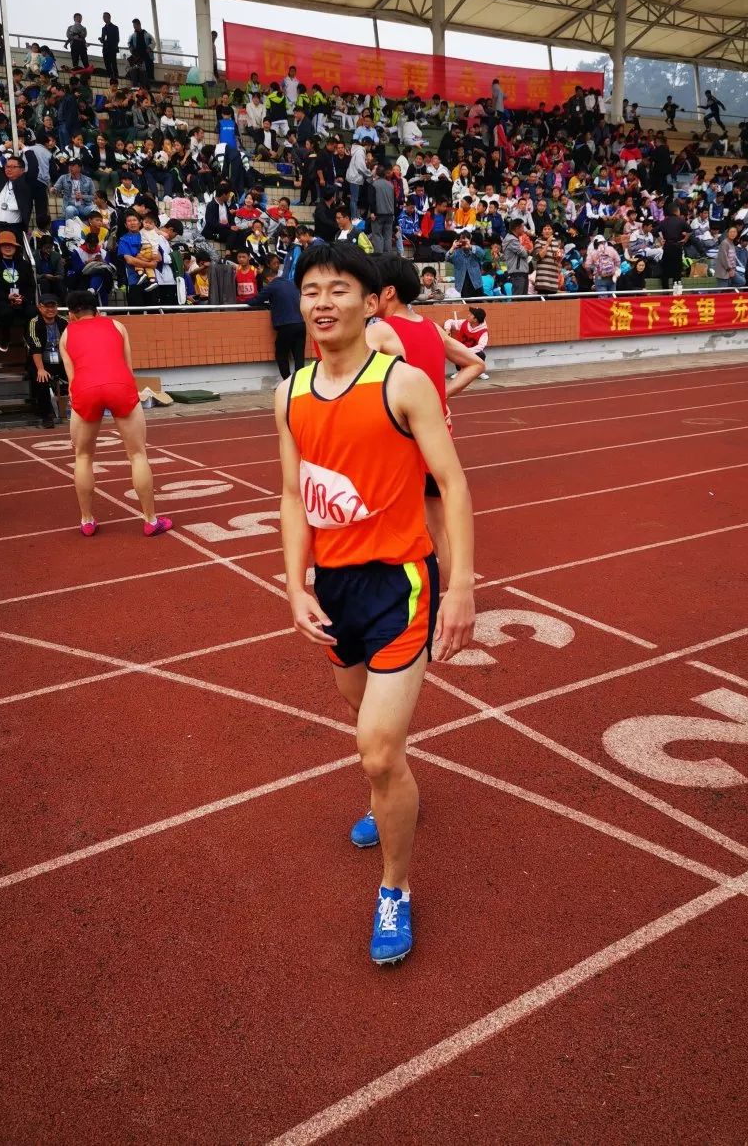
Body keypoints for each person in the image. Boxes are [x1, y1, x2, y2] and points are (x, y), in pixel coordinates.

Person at [276, 241, 475, 965]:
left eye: (338, 289)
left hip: (401, 585)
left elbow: (451, 485)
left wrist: (463, 586)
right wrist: (294, 582)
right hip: (334, 590)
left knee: (378, 749)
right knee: (362, 725)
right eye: (311, 290)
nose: (322, 301)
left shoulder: (403, 384)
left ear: (369, 303)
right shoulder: (290, 392)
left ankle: (395, 887)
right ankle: (385, 790)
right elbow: (292, 497)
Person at [365, 256, 484, 587]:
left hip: (402, 443)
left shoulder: (381, 331)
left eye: (370, 290)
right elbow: (474, 363)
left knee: (391, 522)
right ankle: (459, 591)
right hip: (438, 439)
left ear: (388, 292)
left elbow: (344, 371)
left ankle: (400, 595)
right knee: (438, 524)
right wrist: (439, 398)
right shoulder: (430, 327)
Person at [60, 290, 172, 537]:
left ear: (70, 315)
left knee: (83, 456)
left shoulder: (66, 334)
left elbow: (72, 380)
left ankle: (87, 521)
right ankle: (151, 520)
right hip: (119, 384)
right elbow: (127, 367)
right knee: (137, 454)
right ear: (97, 310)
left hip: (85, 388)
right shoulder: (117, 326)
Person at [245, 265, 306, 378]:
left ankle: (287, 382)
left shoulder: (272, 286)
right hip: (301, 324)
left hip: (286, 325)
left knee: (281, 355)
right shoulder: (291, 284)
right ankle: (299, 383)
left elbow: (255, 301)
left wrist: (246, 301)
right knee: (299, 356)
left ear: (268, 278)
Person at [0, 229, 36, 352]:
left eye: (11, 244)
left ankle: (28, 337)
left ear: (16, 247)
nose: (8, 247)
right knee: (5, 312)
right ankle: (5, 338)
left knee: (32, 311)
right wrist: (7, 297)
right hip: (2, 300)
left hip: (21, 299)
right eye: (4, 244)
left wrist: (23, 298)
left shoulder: (24, 265)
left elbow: (31, 286)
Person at [25, 293, 68, 427]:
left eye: (53, 306)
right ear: (40, 307)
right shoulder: (34, 323)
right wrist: (41, 369)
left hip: (61, 360)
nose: (50, 310)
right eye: (47, 307)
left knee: (80, 375)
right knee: (41, 379)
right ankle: (46, 415)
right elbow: (35, 347)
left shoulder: (63, 321)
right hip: (41, 361)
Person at [100, 12, 120, 80]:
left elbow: (117, 39)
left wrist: (113, 45)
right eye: (103, 17)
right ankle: (109, 76)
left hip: (112, 48)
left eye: (105, 17)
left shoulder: (115, 27)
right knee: (107, 64)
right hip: (105, 49)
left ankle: (116, 76)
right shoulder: (103, 28)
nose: (104, 18)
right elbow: (104, 39)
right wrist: (101, 40)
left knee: (113, 63)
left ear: (109, 17)